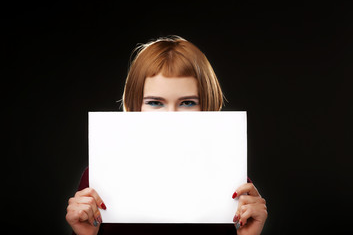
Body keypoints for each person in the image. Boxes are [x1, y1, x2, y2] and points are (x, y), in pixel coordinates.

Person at [66, 36, 268, 235]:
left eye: (187, 102)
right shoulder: (98, 182)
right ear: (135, 106)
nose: (171, 116)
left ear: (207, 105)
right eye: (155, 102)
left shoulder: (235, 184)